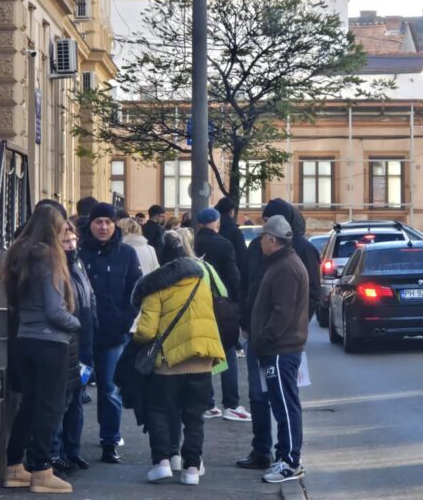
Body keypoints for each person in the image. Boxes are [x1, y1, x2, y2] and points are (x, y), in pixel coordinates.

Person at [236, 198, 321, 472]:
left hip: (278, 341)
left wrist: (293, 326)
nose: (262, 231)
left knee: (283, 399)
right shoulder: (259, 250)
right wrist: (246, 323)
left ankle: (287, 458)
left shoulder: (298, 253)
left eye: (267, 223)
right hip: (259, 336)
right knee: (259, 396)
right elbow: (246, 285)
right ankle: (262, 449)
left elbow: (307, 297)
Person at [1, 205, 80, 493]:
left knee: (30, 404)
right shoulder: (50, 257)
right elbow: (55, 310)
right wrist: (76, 323)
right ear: (53, 227)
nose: (65, 233)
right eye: (62, 227)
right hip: (50, 341)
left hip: (25, 338)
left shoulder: (18, 254)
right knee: (49, 407)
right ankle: (42, 470)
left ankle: (13, 466)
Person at [132, 251, 226, 486]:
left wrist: (135, 339)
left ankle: (162, 462)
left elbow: (146, 332)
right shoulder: (200, 283)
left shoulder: (155, 288)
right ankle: (192, 468)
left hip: (169, 363)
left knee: (158, 411)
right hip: (202, 358)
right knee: (194, 416)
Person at [79, 203, 143, 464]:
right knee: (76, 388)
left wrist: (125, 320)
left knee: (109, 389)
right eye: (98, 222)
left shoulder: (127, 253)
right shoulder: (79, 252)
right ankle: (69, 446)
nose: (103, 227)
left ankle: (110, 441)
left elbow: (136, 292)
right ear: (91, 224)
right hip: (81, 334)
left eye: (108, 222)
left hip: (113, 334)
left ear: (115, 224)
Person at [251, 215, 308, 483]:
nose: (260, 242)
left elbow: (281, 313)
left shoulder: (285, 267)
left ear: (272, 240)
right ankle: (285, 456)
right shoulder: (283, 263)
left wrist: (263, 338)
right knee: (283, 404)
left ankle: (290, 461)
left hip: (279, 349)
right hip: (279, 347)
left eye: (263, 237)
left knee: (285, 406)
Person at [193, 208, 248, 422]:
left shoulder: (193, 243)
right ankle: (231, 404)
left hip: (197, 306)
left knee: (204, 355)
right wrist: (237, 302)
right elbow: (233, 276)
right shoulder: (224, 244)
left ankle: (208, 404)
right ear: (216, 222)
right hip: (221, 306)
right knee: (228, 352)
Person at [52, 221, 96, 474]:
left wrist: (93, 326)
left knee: (77, 400)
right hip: (68, 342)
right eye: (65, 241)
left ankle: (72, 450)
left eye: (72, 240)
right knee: (64, 401)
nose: (70, 245)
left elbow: (90, 296)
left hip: (83, 343)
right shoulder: (56, 267)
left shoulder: (78, 264)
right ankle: (56, 453)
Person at [214, 197, 247, 271]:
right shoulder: (235, 231)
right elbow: (242, 256)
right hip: (231, 271)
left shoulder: (213, 229)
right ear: (231, 212)